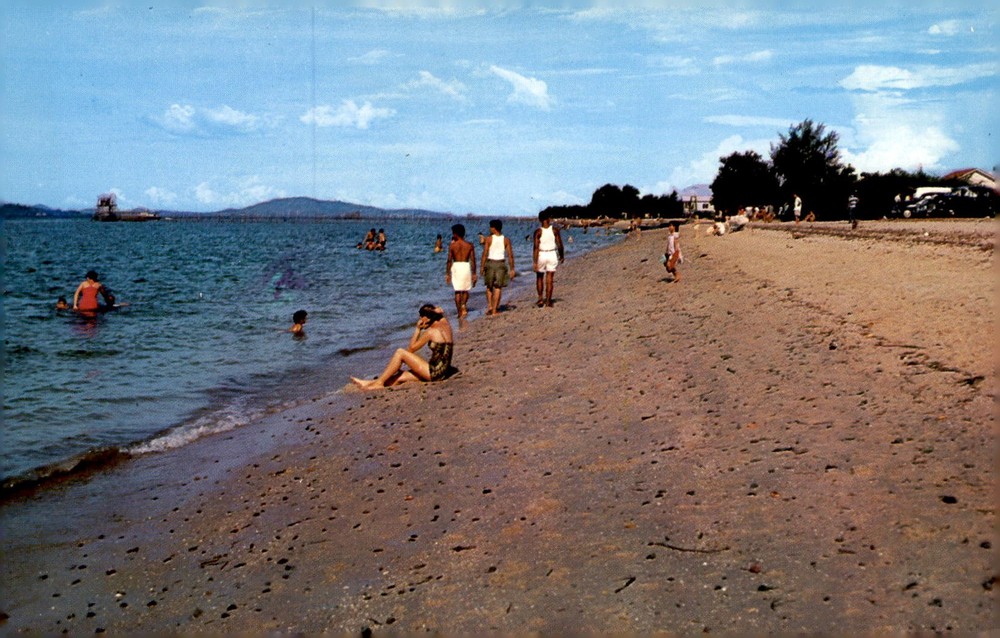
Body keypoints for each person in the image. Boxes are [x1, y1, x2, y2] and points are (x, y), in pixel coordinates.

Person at [351, 304, 454, 389]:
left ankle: (379, 383)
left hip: (434, 373)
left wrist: (418, 329)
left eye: (421, 317)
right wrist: (436, 311)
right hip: (443, 371)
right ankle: (370, 383)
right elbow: (441, 311)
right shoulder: (445, 322)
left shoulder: (431, 332)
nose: (420, 320)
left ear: (427, 318)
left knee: (400, 352)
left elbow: (411, 349)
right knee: (400, 377)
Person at [480, 219, 516, 316]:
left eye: (490, 227)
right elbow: (510, 255)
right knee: (498, 287)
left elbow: (485, 254)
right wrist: (512, 268)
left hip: (490, 263)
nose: (489, 229)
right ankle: (494, 310)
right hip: (500, 263)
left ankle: (490, 306)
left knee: (489, 286)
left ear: (494, 228)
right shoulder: (506, 240)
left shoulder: (489, 239)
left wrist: (482, 266)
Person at [533, 210, 565, 308]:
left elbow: (535, 247)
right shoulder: (555, 230)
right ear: (549, 219)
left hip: (542, 254)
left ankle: (540, 299)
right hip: (552, 254)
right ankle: (548, 301)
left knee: (539, 277)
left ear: (540, 220)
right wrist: (562, 256)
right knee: (550, 279)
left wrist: (535, 262)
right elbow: (560, 245)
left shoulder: (538, 232)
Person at [446, 223, 476, 317]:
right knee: (466, 289)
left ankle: (459, 312)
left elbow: (449, 260)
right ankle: (463, 305)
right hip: (466, 266)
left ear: (455, 234)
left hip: (456, 266)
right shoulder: (469, 245)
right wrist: (474, 273)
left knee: (458, 291)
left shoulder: (452, 246)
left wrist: (447, 273)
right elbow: (473, 260)